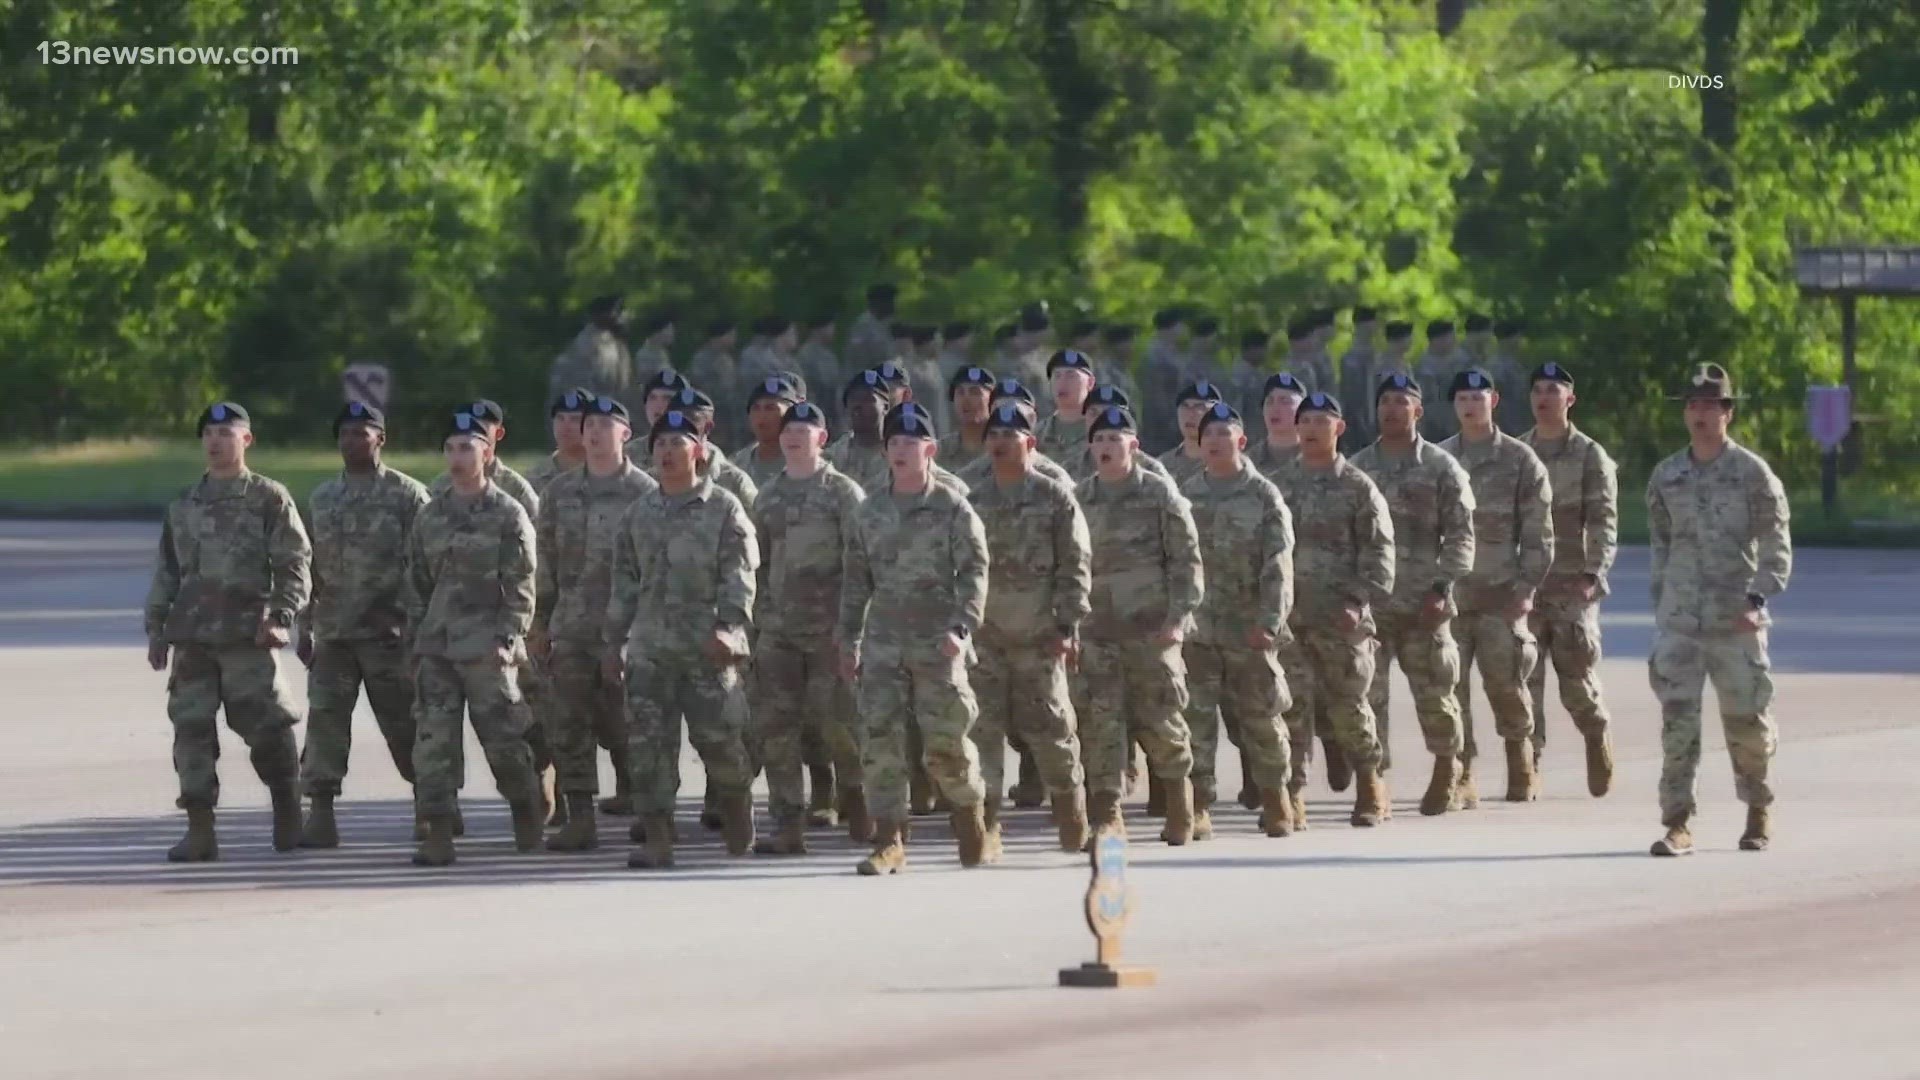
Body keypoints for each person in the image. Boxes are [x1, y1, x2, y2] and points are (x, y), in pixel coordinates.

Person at [145, 402, 311, 862]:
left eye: (226, 432)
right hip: (194, 637)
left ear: (246, 440)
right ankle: (200, 827)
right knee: (191, 729)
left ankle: (285, 803)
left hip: (247, 636)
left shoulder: (268, 498)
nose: (216, 441)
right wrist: (156, 627)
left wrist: (281, 617)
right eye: (210, 433)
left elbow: (294, 562)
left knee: (266, 726)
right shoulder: (184, 504)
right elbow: (167, 570)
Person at [603, 407, 761, 868]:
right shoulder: (639, 514)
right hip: (651, 650)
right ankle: (658, 836)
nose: (667, 452)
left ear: (700, 451)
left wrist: (730, 628)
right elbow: (624, 583)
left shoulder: (724, 507)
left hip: (708, 647)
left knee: (719, 740)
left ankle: (736, 812)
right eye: (660, 444)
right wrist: (613, 643)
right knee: (649, 745)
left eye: (678, 443)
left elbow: (740, 572)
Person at [838, 403, 993, 874]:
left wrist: (962, 628)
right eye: (893, 444)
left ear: (931, 450)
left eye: (910, 443)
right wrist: (848, 638)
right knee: (879, 739)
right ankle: (890, 839)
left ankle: (969, 817)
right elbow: (856, 580)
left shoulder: (952, 506)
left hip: (937, 638)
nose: (900, 450)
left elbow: (974, 571)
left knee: (945, 739)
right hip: (883, 639)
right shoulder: (869, 510)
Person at [1646, 363, 1790, 857]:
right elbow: (1660, 544)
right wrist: (1662, 602)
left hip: (1735, 619)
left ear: (1727, 412)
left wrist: (1758, 598)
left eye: (1710, 405)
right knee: (1677, 726)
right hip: (1681, 622)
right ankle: (1677, 823)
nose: (1700, 414)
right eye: (1693, 405)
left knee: (1748, 722)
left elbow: (1776, 543)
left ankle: (1757, 812)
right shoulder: (1667, 474)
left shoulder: (1752, 473)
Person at [404, 411, 542, 867]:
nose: (458, 457)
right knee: (434, 744)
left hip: (487, 648)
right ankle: (438, 831)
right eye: (451, 448)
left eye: (467, 447)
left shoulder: (507, 513)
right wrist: (416, 642)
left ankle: (526, 807)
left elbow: (522, 584)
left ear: (487, 452)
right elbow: (418, 582)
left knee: (503, 740)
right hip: (438, 647)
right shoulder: (431, 514)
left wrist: (508, 638)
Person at [296, 401, 431, 848]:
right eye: (345, 434)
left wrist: (416, 627)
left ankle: (430, 805)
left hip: (389, 635)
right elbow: (308, 565)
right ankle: (320, 810)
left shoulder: (408, 496)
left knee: (405, 725)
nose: (352, 441)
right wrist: (305, 624)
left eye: (362, 433)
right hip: (334, 633)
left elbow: (426, 565)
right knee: (326, 723)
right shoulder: (322, 498)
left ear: (381, 439)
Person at [965, 400, 1093, 856]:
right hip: (986, 638)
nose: (1000, 443)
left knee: (1052, 729)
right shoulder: (971, 498)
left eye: (1010, 436)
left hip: (1039, 636)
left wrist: (1067, 625)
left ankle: (1071, 814)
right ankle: (988, 825)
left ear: (1030, 443)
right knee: (982, 733)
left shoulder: (1054, 496)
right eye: (994, 437)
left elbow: (1075, 564)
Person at [532, 396, 659, 851]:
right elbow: (543, 564)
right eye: (589, 425)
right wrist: (539, 622)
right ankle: (580, 814)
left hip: (629, 632)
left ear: (626, 434)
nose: (594, 431)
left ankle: (648, 808)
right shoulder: (558, 493)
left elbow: (656, 571)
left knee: (634, 724)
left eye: (606, 424)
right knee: (568, 724)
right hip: (570, 629)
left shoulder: (646, 493)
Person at [1074, 405, 1201, 844]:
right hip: (1097, 633)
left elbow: (1186, 562)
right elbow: (1065, 567)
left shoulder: (1160, 496)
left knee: (1162, 720)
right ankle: (1108, 815)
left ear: (1134, 446)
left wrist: (1178, 619)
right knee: (1100, 724)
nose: (1107, 447)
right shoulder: (1077, 499)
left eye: (1115, 440)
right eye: (1100, 440)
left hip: (1151, 630)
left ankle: (1180, 804)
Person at [747, 401, 871, 853]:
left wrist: (852, 628)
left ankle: (855, 792)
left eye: (804, 430)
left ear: (822, 439)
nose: (794, 437)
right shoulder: (769, 496)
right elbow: (755, 564)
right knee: (777, 729)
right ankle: (787, 825)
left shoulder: (843, 493)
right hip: (778, 629)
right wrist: (754, 623)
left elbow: (860, 565)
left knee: (836, 722)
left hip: (829, 629)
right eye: (788, 431)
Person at [1351, 374, 1475, 814]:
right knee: (1367, 698)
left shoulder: (1442, 467)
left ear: (1417, 411)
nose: (1390, 409)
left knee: (1436, 696)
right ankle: (1373, 782)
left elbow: (1461, 535)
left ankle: (1447, 767)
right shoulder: (1358, 469)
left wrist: (1443, 587)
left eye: (1400, 401)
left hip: (1425, 604)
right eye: (1384, 401)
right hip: (1374, 608)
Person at [1179, 402, 1297, 839]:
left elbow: (1278, 564)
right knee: (1196, 720)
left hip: (1250, 630)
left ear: (1241, 442)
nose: (1213, 443)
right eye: (1207, 436)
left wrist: (1269, 621)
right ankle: (1199, 804)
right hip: (1200, 631)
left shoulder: (1264, 496)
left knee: (1262, 718)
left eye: (1223, 436)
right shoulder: (1186, 495)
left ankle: (1276, 798)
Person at [1440, 369, 1554, 805]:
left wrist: (1526, 589)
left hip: (1502, 597)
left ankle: (1520, 759)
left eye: (1478, 396)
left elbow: (1538, 533)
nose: (1470, 405)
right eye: (1463, 398)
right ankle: (1462, 772)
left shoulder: (1522, 461)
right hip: (1453, 598)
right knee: (1452, 691)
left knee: (1506, 685)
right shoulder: (1442, 460)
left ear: (1494, 400)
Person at [1283, 393, 1395, 828]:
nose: (1312, 428)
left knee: (1349, 707)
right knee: (1290, 708)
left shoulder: (1357, 487)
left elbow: (1379, 552)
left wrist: (1357, 600)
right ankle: (1291, 792)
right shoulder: (1280, 486)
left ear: (1339, 428)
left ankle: (1370, 783)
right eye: (1305, 420)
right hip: (1292, 620)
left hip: (1341, 620)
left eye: (1321, 420)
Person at [1520, 362, 1618, 794]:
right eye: (1538, 390)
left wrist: (1592, 575)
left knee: (1575, 679)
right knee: (1524, 679)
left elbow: (1603, 521)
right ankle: (1528, 763)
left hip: (1571, 586)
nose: (1544, 398)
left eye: (1553, 391)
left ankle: (1595, 734)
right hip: (1526, 587)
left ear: (1570, 400)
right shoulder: (1518, 452)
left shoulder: (1589, 455)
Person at [429, 400, 539, 518]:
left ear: (499, 433)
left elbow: (538, 530)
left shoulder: (516, 487)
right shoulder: (440, 485)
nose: (472, 431)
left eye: (482, 425)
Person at [548, 294, 633, 408]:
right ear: (601, 315)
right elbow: (584, 387)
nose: (621, 317)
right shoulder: (586, 345)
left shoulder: (613, 342)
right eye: (616, 312)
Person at [736, 374, 803, 489]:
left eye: (771, 408)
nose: (762, 416)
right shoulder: (737, 464)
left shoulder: (809, 463)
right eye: (756, 408)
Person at [1034, 349, 1097, 463]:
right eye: (1057, 376)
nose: (1062, 382)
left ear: (1090, 383)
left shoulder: (1103, 431)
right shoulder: (1038, 434)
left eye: (1071, 376)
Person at [525, 389, 594, 494]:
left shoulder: (609, 474)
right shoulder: (533, 479)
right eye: (560, 418)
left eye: (575, 420)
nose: (565, 427)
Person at [1158, 379, 1224, 486]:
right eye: (1185, 406)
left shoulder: (1230, 464)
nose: (1190, 414)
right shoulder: (1161, 466)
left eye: (1200, 407)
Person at [1141, 308, 1190, 452]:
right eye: (1180, 325)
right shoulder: (1156, 354)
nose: (1183, 329)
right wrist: (1168, 420)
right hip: (1162, 421)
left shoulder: (1173, 351)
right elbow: (1156, 391)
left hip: (1176, 417)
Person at [936, 364, 999, 471]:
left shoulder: (1003, 448)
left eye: (975, 392)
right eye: (960, 393)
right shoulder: (940, 451)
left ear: (993, 401)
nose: (966, 399)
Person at [1248, 372, 1307, 478]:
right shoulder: (1245, 464)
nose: (1275, 408)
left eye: (1284, 401)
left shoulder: (1318, 458)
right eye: (1269, 401)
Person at [1339, 307, 1380, 450]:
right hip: (1357, 421)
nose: (1373, 327)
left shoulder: (1379, 356)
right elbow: (1349, 395)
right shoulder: (1349, 359)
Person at [1416, 321, 1463, 443]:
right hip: (1434, 427)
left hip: (1454, 425)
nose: (1454, 341)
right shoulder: (1425, 367)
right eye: (1450, 337)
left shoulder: (1457, 361)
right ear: (1438, 340)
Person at [796, 314, 843, 425]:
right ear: (819, 330)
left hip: (830, 415)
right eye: (830, 327)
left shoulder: (829, 355)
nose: (833, 331)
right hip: (813, 413)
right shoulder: (805, 355)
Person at [1490, 319, 1532, 435]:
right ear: (1509, 339)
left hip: (1520, 424)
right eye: (1517, 337)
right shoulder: (1497, 366)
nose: (1520, 341)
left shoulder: (1516, 363)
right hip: (1506, 427)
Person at [846, 284, 898, 374]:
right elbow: (859, 360)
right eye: (889, 302)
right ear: (878, 303)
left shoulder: (885, 326)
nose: (893, 306)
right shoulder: (863, 327)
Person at [1227, 329, 1272, 421]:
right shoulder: (1240, 375)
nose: (1266, 353)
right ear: (1252, 349)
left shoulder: (1256, 374)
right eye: (1264, 348)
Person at [631, 312, 676, 390]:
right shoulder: (644, 355)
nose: (672, 334)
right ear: (658, 333)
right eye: (669, 330)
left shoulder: (662, 353)